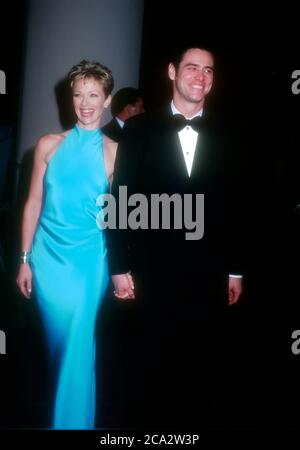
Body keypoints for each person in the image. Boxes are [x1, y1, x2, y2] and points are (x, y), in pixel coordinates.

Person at [107, 44, 245, 427]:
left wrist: (236, 269)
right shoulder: (139, 128)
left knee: (200, 373)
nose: (201, 77)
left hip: (208, 274)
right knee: (147, 371)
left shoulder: (229, 132)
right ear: (172, 71)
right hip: (151, 272)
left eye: (209, 70)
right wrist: (118, 266)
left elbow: (236, 206)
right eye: (192, 68)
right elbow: (122, 199)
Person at [16, 60, 120, 429]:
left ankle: (71, 422)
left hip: (88, 262)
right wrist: (24, 258)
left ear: (107, 100)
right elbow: (32, 204)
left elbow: (120, 218)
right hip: (45, 259)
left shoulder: (114, 153)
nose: (85, 102)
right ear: (70, 99)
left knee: (78, 345)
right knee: (57, 347)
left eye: (94, 95)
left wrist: (125, 269)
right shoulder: (47, 145)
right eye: (78, 94)